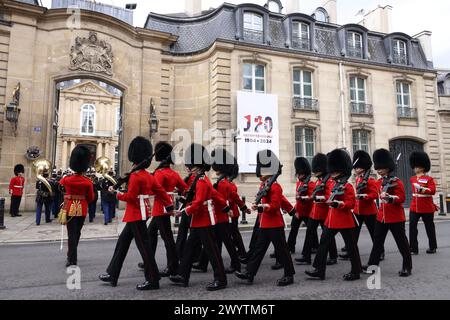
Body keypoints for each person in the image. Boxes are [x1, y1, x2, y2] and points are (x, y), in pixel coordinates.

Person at [99, 137, 174, 290]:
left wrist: (117, 193)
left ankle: (153, 279)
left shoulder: (135, 176)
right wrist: (170, 206)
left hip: (136, 215)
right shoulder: (148, 175)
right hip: (141, 213)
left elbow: (131, 197)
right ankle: (112, 273)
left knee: (145, 249)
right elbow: (161, 192)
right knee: (122, 243)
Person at [169, 143, 228, 291]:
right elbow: (214, 195)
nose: (189, 168)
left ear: (198, 166)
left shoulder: (201, 181)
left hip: (204, 220)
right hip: (198, 220)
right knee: (189, 248)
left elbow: (199, 201)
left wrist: (183, 212)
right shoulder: (199, 179)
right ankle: (183, 276)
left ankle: (221, 279)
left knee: (212, 251)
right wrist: (225, 206)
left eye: (191, 165)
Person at [235, 150, 295, 287]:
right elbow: (280, 200)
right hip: (264, 224)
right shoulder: (264, 185)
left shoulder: (275, 186)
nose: (260, 173)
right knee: (258, 250)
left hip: (274, 224)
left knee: (282, 251)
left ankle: (289, 275)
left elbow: (275, 205)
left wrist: (261, 207)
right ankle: (249, 273)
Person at [305, 149, 362, 281]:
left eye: (335, 171)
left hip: (344, 220)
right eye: (332, 171)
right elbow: (328, 198)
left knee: (351, 247)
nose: (333, 173)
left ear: (341, 171)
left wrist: (338, 204)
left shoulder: (347, 186)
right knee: (323, 244)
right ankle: (319, 270)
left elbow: (351, 203)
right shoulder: (334, 184)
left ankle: (356, 271)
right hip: (330, 221)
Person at [193, 148, 245, 274]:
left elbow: (220, 200)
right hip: (220, 216)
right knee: (212, 241)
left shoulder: (222, 184)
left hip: (221, 216)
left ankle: (236, 264)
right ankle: (203, 263)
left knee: (227, 242)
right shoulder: (223, 182)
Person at [363, 149, 412, 277]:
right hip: (381, 217)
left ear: (387, 168)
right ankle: (372, 266)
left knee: (402, 243)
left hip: (395, 217)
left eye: (381, 168)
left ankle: (407, 267)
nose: (379, 170)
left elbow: (402, 198)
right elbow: (374, 193)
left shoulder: (397, 181)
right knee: (377, 243)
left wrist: (390, 197)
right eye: (377, 168)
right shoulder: (379, 182)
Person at [143, 142, 187, 277]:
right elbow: (184, 188)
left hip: (160, 208)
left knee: (167, 239)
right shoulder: (173, 173)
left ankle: (173, 266)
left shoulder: (160, 174)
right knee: (150, 235)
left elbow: (152, 190)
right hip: (165, 208)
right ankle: (148, 262)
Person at [340, 150, 384, 260]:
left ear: (363, 168)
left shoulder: (370, 180)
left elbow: (374, 194)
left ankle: (380, 252)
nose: (355, 169)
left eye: (357, 167)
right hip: (358, 210)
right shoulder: (359, 179)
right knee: (353, 233)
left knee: (375, 234)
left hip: (369, 211)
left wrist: (364, 196)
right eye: (355, 168)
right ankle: (351, 251)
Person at [296, 153, 336, 266]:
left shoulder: (328, 182)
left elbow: (329, 196)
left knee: (327, 236)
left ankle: (333, 256)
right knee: (309, 233)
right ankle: (306, 256)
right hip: (315, 213)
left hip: (324, 213)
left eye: (317, 170)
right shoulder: (319, 181)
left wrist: (318, 198)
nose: (315, 172)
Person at [59, 146, 95, 267]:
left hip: (69, 208)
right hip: (82, 209)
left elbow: (60, 188)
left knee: (71, 234)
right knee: (77, 233)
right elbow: (91, 198)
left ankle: (71, 258)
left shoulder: (66, 180)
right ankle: (72, 255)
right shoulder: (87, 181)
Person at [409, 151, 438, 255]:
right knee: (412, 227)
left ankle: (432, 247)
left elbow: (433, 190)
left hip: (426, 206)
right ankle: (413, 248)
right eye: (415, 166)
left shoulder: (429, 179)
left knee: (429, 227)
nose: (415, 168)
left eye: (417, 166)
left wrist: (423, 189)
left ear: (422, 167)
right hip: (414, 206)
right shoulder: (412, 179)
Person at [287, 157, 315, 255]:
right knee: (293, 229)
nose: (299, 176)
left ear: (305, 174)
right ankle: (290, 247)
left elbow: (312, 197)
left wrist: (303, 198)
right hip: (298, 210)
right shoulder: (299, 183)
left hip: (308, 211)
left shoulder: (311, 184)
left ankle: (315, 246)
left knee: (311, 231)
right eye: (298, 174)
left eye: (301, 174)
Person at [228, 163, 250, 262]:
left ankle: (241, 253)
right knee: (234, 235)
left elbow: (235, 199)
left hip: (232, 214)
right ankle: (241, 253)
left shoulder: (230, 185)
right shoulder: (228, 183)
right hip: (230, 213)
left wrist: (244, 207)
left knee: (234, 235)